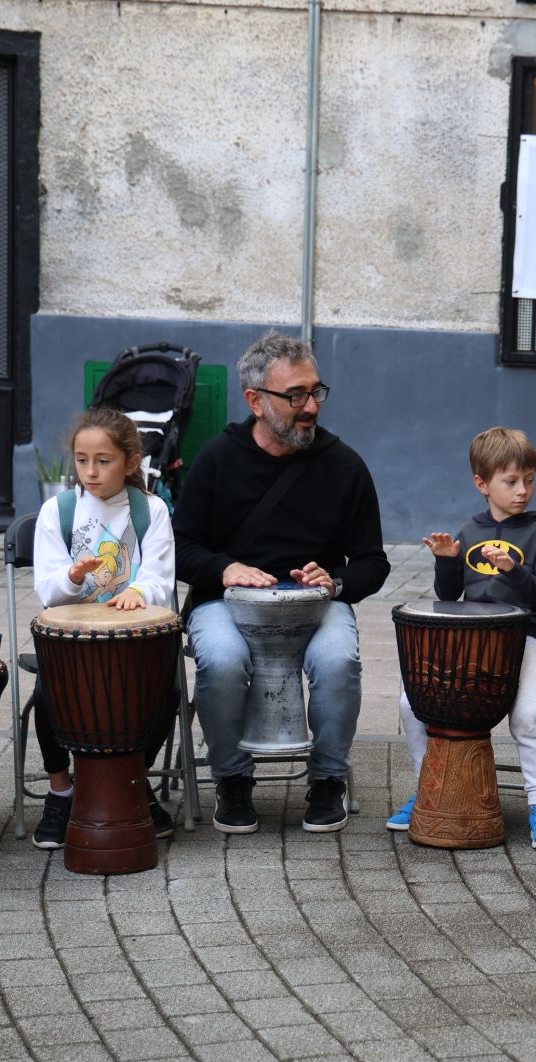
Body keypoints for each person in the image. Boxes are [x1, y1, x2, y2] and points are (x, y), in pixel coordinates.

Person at [174, 332, 389, 835]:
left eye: (315, 392)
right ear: (255, 400)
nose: (310, 406)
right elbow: (181, 548)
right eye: (295, 396)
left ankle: (329, 779)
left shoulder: (344, 466)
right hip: (226, 602)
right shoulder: (217, 459)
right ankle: (231, 779)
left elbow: (373, 563)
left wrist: (335, 581)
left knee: (339, 660)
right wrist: (225, 568)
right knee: (222, 661)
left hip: (315, 605)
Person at [389, 428, 536, 850]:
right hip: (472, 641)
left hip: (523, 639)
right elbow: (449, 597)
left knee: (526, 716)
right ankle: (426, 790)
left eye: (529, 480)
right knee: (410, 704)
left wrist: (513, 571)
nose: (522, 491)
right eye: (510, 482)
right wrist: (447, 562)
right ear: (482, 484)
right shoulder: (469, 530)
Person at [29, 408, 178, 848]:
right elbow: (48, 591)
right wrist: (74, 577)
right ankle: (62, 792)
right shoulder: (59, 511)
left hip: (135, 644)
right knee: (46, 697)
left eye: (103, 460)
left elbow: (159, 578)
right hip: (72, 645)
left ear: (131, 462)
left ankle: (132, 781)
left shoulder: (150, 510)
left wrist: (140, 593)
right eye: (81, 460)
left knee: (165, 693)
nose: (90, 471)